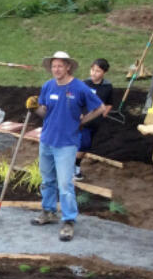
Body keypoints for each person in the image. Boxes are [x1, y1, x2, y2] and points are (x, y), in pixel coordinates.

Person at [27, 51, 104, 242]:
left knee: (65, 185)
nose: (56, 69)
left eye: (60, 66)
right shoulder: (48, 86)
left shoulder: (79, 88)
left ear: (68, 67)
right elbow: (45, 112)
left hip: (67, 144)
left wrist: (82, 121)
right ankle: (49, 212)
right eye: (54, 66)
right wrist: (34, 108)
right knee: (47, 180)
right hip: (47, 140)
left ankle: (69, 221)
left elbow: (100, 108)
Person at [77, 57, 113, 180]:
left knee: (85, 146)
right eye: (92, 70)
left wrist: (104, 112)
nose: (94, 73)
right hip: (83, 120)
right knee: (83, 144)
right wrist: (80, 113)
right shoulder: (84, 84)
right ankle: (73, 169)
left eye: (97, 71)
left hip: (96, 122)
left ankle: (74, 167)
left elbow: (109, 103)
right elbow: (77, 100)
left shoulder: (107, 87)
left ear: (104, 72)